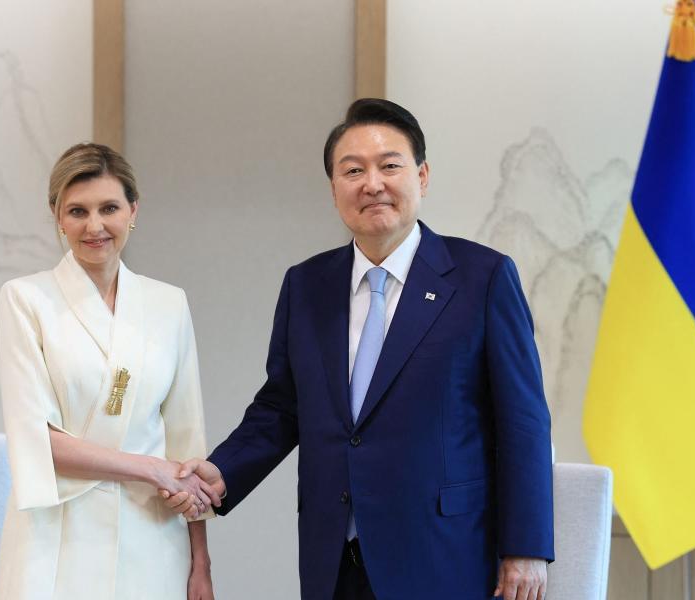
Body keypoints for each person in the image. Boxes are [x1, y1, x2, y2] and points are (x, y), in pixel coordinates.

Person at [164, 99, 554, 599]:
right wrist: (221, 473)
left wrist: (526, 547)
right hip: (335, 559)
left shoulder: (483, 277)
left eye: (390, 165)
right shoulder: (306, 285)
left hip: (443, 555)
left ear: (422, 176)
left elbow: (523, 420)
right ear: (333, 189)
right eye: (353, 171)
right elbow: (283, 406)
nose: (373, 184)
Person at [0, 143, 221, 600]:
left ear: (133, 210)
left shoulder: (168, 304)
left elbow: (187, 439)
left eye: (109, 208)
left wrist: (201, 561)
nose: (94, 226)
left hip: (153, 535)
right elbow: (37, 439)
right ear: (58, 216)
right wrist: (152, 470)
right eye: (77, 210)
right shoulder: (25, 300)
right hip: (56, 535)